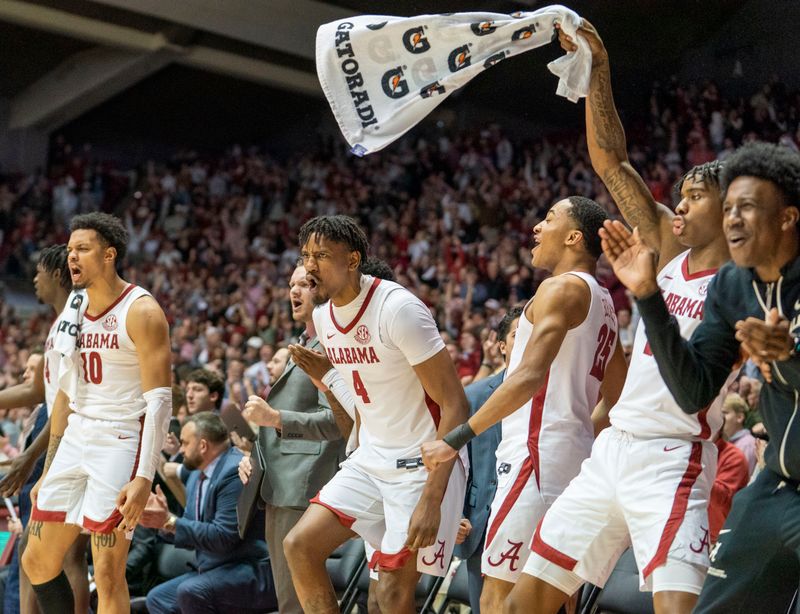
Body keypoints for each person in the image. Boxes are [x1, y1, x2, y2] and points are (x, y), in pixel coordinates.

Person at [508, 22, 732, 614]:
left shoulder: (747, 284)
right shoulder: (663, 246)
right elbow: (611, 161)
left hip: (673, 460)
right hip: (612, 451)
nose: (679, 203)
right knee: (521, 605)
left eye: (696, 196)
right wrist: (598, 68)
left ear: (735, 211)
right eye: (679, 193)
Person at [600, 141, 800, 613]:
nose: (732, 219)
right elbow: (693, 389)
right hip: (779, 483)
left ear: (788, 218)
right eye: (728, 207)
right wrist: (648, 296)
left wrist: (788, 357)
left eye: (747, 208)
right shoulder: (733, 284)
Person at [422, 195, 627, 613]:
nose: (537, 227)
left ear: (573, 237)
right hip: (573, 459)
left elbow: (529, 377)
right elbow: (618, 393)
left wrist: (454, 440)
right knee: (555, 598)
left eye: (548, 218)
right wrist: (578, 429)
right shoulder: (604, 300)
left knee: (499, 597)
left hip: (535, 458)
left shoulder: (561, 288)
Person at [282, 215, 469, 614]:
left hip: (419, 464)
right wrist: (328, 379)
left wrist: (433, 498)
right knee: (299, 545)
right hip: (371, 458)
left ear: (352, 260)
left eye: (321, 255)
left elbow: (456, 405)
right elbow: (364, 407)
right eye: (305, 255)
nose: (310, 265)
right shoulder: (322, 318)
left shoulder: (398, 309)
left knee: (390, 597)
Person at [21, 212, 172, 614]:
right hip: (76, 437)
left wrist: (144, 477)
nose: (72, 257)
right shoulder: (73, 308)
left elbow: (159, 401)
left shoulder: (141, 310)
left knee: (106, 571)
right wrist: (50, 467)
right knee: (35, 560)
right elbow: (65, 396)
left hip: (120, 440)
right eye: (70, 250)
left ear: (109, 255)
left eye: (82, 249)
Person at [238, 264, 346, 614]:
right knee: (289, 600)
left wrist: (275, 417)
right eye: (291, 284)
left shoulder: (332, 346)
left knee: (296, 603)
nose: (294, 291)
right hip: (281, 481)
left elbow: (338, 421)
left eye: (305, 284)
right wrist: (255, 459)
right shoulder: (305, 342)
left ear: (325, 289)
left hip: (305, 484)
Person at [0, 245, 89, 614]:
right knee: (30, 549)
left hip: (70, 440)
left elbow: (67, 403)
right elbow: (40, 390)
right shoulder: (57, 325)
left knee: (68, 555)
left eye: (38, 272)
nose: (33, 279)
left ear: (56, 274)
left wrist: (29, 456)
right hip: (52, 434)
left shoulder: (78, 322)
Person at [142, 412, 277, 613]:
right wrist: (163, 522)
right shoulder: (197, 474)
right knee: (158, 599)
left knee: (192, 591)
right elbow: (192, 533)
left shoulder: (233, 471)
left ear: (203, 445)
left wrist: (170, 521)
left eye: (185, 443)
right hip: (218, 569)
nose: (182, 449)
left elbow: (223, 537)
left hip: (250, 569)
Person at [456, 307, 522, 614]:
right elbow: (458, 463)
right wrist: (454, 512)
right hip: (480, 521)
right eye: (517, 334)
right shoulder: (474, 395)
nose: (526, 341)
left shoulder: (557, 393)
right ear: (502, 345)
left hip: (534, 519)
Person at [720, 393, 757, 473]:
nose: (720, 417)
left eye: (725, 412)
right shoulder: (723, 443)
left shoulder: (746, 445)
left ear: (739, 417)